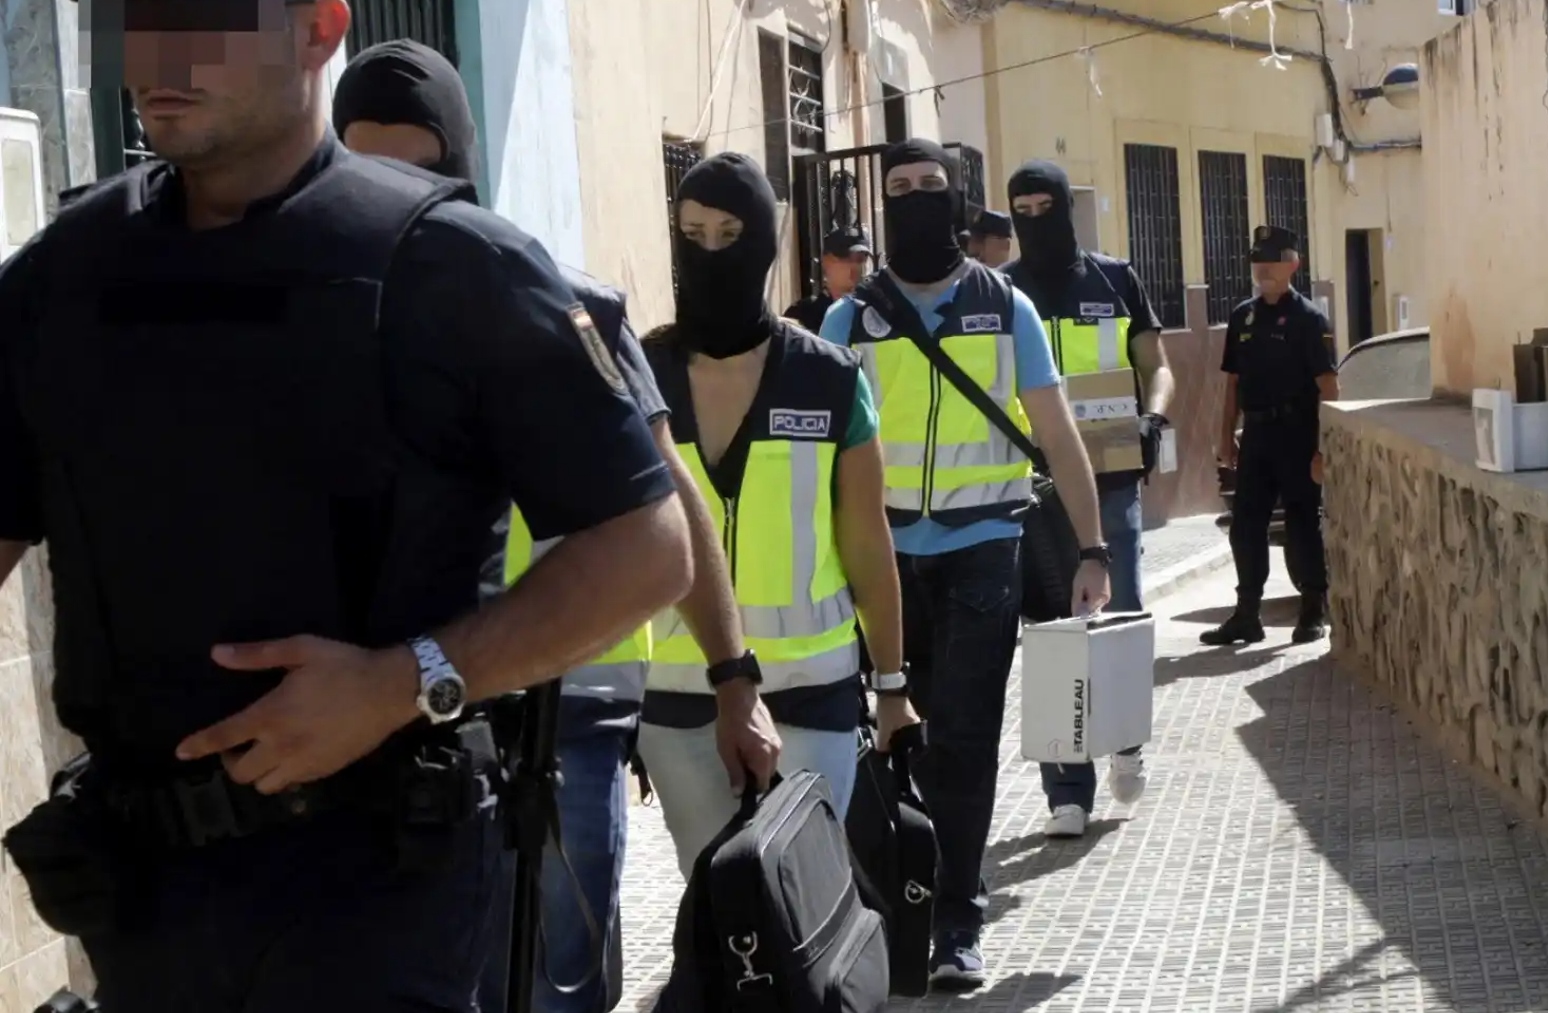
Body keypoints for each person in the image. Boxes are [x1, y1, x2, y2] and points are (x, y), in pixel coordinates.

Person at [0, 3, 693, 1012]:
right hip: (143, 901)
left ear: (321, 29)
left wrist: (405, 681)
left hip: (378, 895)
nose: (156, 54)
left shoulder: (454, 267)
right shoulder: (60, 282)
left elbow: (646, 547)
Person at [330, 41, 776, 1013]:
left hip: (558, 712)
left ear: (463, 164)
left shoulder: (552, 302)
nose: (398, 195)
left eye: (420, 165)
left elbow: (672, 503)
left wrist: (734, 675)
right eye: (370, 168)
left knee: (558, 980)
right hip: (378, 718)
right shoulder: (318, 320)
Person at [818, 137, 1111, 988]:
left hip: (986, 546)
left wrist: (1092, 548)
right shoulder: (851, 319)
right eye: (898, 187)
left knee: (966, 737)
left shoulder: (1004, 305)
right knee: (888, 734)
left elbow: (1056, 432)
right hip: (881, 560)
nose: (914, 198)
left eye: (929, 187)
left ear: (954, 200)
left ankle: (956, 919)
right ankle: (888, 900)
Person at [638, 151, 920, 880]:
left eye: (729, 234)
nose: (707, 252)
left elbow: (867, 544)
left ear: (764, 241)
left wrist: (891, 686)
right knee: (714, 895)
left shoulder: (829, 377)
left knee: (806, 890)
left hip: (813, 692)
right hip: (678, 695)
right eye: (690, 233)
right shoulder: (645, 372)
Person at [1002, 159, 1173, 839]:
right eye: (1023, 209)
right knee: (1051, 632)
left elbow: (1154, 365)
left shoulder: (1116, 278)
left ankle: (1126, 742)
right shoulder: (1003, 292)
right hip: (1035, 484)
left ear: (1067, 208)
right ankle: (1065, 789)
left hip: (1110, 476)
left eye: (1046, 205)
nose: (1034, 219)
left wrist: (1153, 417)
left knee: (1118, 609)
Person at [1204, 225, 1336, 647]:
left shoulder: (1310, 320)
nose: (1263, 269)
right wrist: (1225, 436)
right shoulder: (1243, 316)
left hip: (1298, 434)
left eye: (1272, 261)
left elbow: (1329, 389)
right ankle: (1247, 614)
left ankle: (1312, 609)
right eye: (1257, 262)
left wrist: (1323, 450)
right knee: (1246, 526)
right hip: (1257, 434)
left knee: (1302, 524)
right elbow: (1232, 384)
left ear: (1293, 264)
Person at [783, 224, 872, 334]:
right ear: (826, 261)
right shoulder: (803, 313)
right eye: (845, 258)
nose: (854, 266)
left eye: (860, 259)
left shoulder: (874, 311)